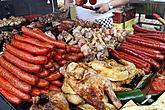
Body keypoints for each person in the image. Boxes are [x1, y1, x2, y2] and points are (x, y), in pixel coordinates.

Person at [60, 0, 129, 27]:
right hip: (78, 23)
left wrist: (108, 5)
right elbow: (69, 1)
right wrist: (67, 5)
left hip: (102, 22)